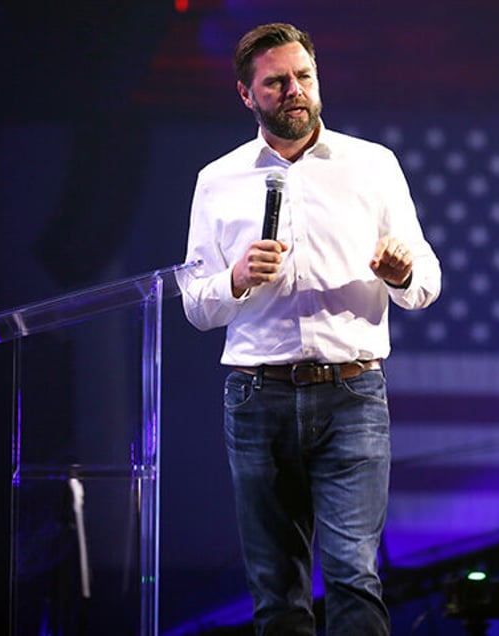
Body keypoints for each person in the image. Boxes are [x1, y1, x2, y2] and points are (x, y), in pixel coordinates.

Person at [181, 22, 441, 636]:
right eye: (276, 82)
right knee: (276, 590)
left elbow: (426, 281)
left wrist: (401, 272)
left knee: (354, 575)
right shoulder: (217, 180)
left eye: (303, 77)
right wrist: (236, 277)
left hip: (351, 394)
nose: (294, 90)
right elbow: (196, 304)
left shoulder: (371, 165)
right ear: (248, 95)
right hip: (256, 397)